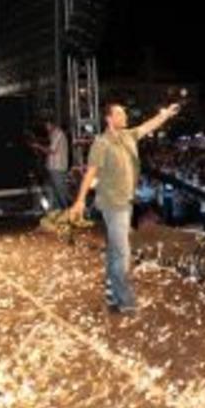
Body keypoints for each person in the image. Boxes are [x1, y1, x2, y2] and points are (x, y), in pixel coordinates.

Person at [69, 103, 181, 314]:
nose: (125, 115)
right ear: (109, 119)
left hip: (125, 202)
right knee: (123, 254)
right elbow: (90, 173)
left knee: (114, 252)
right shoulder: (101, 144)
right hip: (113, 204)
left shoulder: (128, 136)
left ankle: (112, 295)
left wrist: (164, 114)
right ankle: (126, 302)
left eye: (124, 112)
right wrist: (80, 200)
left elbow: (148, 126)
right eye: (120, 113)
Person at [32, 120, 70, 209]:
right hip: (53, 168)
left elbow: (52, 150)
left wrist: (38, 146)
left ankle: (67, 211)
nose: (46, 128)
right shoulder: (53, 134)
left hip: (58, 167)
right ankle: (58, 213)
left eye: (47, 125)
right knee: (54, 192)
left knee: (60, 192)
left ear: (51, 124)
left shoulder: (58, 134)